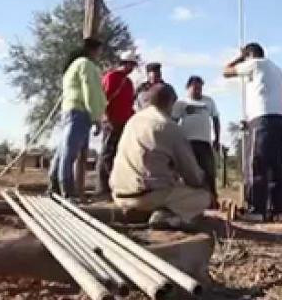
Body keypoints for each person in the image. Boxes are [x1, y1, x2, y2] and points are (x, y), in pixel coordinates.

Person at [110, 83, 211, 229]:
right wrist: (205, 184)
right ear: (171, 103)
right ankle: (167, 217)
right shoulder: (168, 126)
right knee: (202, 197)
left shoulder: (132, 121)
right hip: (144, 197)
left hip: (119, 195)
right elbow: (193, 176)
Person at [223, 42, 282, 222]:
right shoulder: (277, 69)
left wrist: (240, 58)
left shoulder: (256, 63)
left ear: (250, 55)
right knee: (275, 164)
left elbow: (226, 71)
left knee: (257, 162)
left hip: (263, 117)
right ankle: (277, 211)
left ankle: (256, 210)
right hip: (280, 117)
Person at [51, 37, 107, 199]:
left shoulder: (72, 66)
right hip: (79, 111)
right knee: (70, 153)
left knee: (63, 151)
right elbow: (91, 90)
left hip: (68, 110)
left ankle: (54, 185)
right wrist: (96, 116)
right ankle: (67, 191)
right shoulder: (86, 65)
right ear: (94, 50)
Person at [172, 75, 221, 206]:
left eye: (200, 88)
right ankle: (188, 200)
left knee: (208, 171)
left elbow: (216, 119)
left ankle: (212, 200)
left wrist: (217, 138)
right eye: (195, 88)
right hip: (188, 142)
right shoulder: (181, 103)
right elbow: (174, 121)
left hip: (204, 141)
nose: (197, 91)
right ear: (188, 88)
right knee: (189, 171)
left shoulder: (208, 101)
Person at [96, 50, 139, 200]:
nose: (132, 68)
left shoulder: (128, 82)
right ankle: (103, 189)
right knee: (106, 154)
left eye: (133, 65)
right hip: (112, 121)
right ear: (123, 63)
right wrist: (105, 118)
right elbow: (104, 98)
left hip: (124, 123)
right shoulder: (112, 77)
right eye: (130, 64)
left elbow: (129, 104)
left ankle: (115, 187)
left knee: (117, 156)